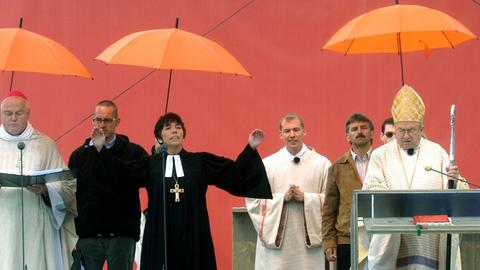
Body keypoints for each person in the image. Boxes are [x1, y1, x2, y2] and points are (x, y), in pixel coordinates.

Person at [139, 112, 272, 270]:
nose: (175, 130)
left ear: (184, 134)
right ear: (159, 137)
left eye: (178, 127)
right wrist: (100, 150)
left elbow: (234, 173)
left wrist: (250, 148)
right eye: (168, 128)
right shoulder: (150, 164)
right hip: (159, 235)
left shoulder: (200, 162)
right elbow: (121, 177)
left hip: (194, 234)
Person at [363, 85, 468, 269]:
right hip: (394, 232)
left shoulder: (437, 152)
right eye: (401, 130)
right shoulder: (380, 155)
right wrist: (399, 203)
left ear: (421, 128)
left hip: (429, 234)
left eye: (411, 130)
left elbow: (456, 194)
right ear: (394, 127)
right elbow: (371, 189)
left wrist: (455, 179)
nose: (405, 135)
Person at [0, 90, 77, 270]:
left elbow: (67, 183)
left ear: (28, 113)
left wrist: (46, 189)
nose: (13, 118)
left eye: (18, 113)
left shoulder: (45, 145)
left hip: (36, 221)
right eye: (8, 113)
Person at [68, 100, 149, 270]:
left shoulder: (133, 152)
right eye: (98, 120)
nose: (102, 125)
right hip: (88, 233)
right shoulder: (79, 155)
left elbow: (134, 179)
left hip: (121, 233)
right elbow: (71, 189)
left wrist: (101, 151)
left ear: (117, 122)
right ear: (92, 121)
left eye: (107, 120)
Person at [246, 113, 331, 270]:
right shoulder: (266, 165)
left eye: (296, 130)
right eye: (287, 131)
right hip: (276, 253)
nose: (292, 135)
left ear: (304, 132)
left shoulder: (322, 164)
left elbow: (332, 202)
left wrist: (306, 198)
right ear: (280, 135)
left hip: (310, 251)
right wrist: (281, 198)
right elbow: (253, 202)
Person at [322, 113, 374, 270]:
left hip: (379, 235)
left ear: (372, 133)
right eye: (354, 129)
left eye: (364, 128)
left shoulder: (383, 161)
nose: (359, 132)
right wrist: (329, 241)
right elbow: (329, 210)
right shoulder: (338, 167)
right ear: (347, 136)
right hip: (347, 238)